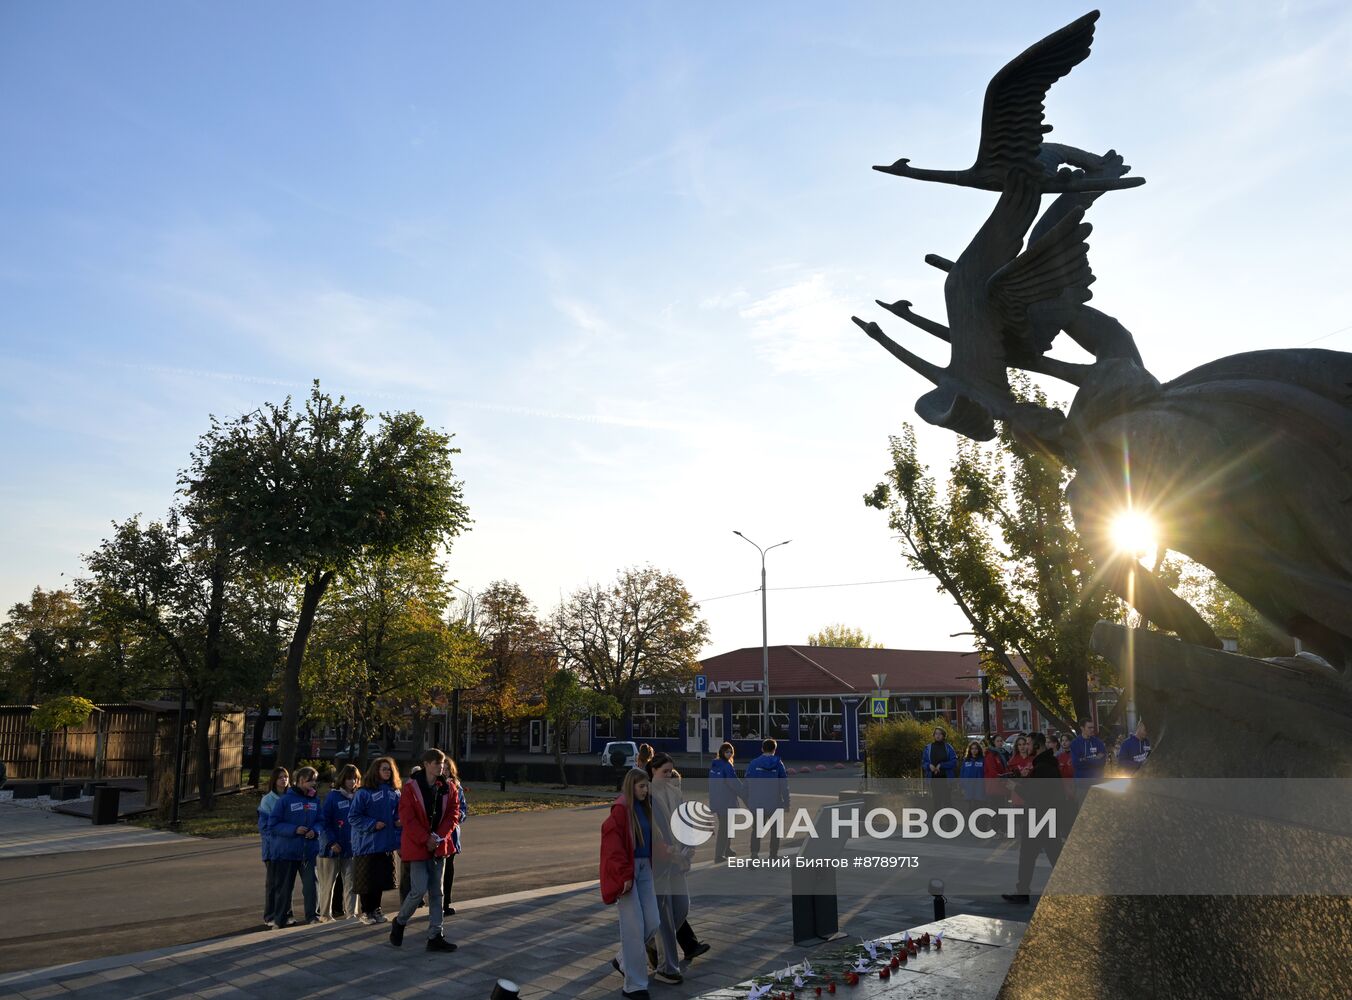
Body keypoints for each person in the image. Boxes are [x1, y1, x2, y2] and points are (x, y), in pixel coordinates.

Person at [388, 748, 460, 952]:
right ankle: (400, 921)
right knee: (418, 890)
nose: (441, 767)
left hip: (438, 845)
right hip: (418, 846)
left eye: (442, 763)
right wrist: (425, 838)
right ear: (427, 764)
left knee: (437, 892)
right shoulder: (410, 788)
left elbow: (453, 814)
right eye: (437, 763)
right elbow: (407, 819)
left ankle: (435, 935)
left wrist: (437, 837)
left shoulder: (448, 787)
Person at [602, 768, 662, 1000]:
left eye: (647, 786)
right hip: (628, 872)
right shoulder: (620, 809)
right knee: (633, 927)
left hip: (645, 868)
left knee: (652, 921)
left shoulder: (646, 807)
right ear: (631, 786)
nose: (646, 790)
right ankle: (634, 986)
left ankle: (622, 959)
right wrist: (624, 875)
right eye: (641, 786)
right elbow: (613, 847)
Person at [1001, 733, 1066, 904]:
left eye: (1029, 744)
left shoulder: (1043, 767)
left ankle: (1023, 892)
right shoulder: (1047, 764)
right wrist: (1023, 779)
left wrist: (1016, 787)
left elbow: (1035, 796)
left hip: (1039, 817)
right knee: (1046, 855)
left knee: (1032, 856)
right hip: (1046, 816)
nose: (1026, 747)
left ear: (1037, 746)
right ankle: (1023, 891)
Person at [268, 765, 322, 926]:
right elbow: (273, 824)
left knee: (311, 886)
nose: (314, 784)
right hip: (287, 851)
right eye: (311, 781)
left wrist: (315, 831)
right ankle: (280, 919)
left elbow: (321, 821)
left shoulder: (315, 800)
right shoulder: (285, 800)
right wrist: (294, 829)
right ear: (301, 781)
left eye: (315, 780)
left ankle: (312, 916)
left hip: (308, 851)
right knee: (285, 888)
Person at [350, 756, 401, 923]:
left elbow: (398, 813)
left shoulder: (395, 792)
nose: (388, 772)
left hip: (385, 843)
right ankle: (366, 911)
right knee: (366, 880)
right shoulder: (364, 792)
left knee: (380, 880)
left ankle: (376, 909)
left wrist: (398, 822)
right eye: (384, 769)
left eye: (390, 769)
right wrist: (372, 824)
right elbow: (354, 817)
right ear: (376, 771)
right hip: (367, 843)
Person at [317, 764, 359, 921]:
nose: (352, 782)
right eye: (349, 778)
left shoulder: (358, 796)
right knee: (329, 883)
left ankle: (351, 913)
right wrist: (331, 842)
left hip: (351, 848)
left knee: (351, 883)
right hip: (332, 849)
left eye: (355, 779)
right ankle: (325, 914)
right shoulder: (333, 797)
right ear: (342, 779)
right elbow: (324, 822)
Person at [744, 738, 790, 859]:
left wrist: (748, 801)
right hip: (774, 803)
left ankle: (754, 854)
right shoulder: (779, 764)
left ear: (762, 749)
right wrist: (787, 803)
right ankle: (773, 854)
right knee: (775, 830)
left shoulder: (754, 763)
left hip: (758, 802)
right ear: (774, 750)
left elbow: (747, 784)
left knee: (757, 830)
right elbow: (784, 786)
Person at [258, 767, 289, 928]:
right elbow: (264, 827)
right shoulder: (268, 800)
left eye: (286, 777)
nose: (284, 780)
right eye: (280, 777)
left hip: (289, 848)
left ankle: (286, 913)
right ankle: (270, 915)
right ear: (274, 780)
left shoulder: (291, 797)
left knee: (286, 884)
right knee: (273, 884)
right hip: (273, 849)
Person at [708, 742, 744, 864]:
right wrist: (745, 794)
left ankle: (727, 849)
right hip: (726, 801)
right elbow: (734, 783)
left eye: (730, 751)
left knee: (727, 826)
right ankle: (719, 855)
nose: (729, 754)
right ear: (722, 752)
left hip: (718, 801)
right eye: (726, 751)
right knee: (724, 828)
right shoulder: (727, 766)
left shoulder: (714, 766)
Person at [442, 758, 468, 916]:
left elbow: (463, 808)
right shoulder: (434, 786)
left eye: (447, 769)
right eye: (442, 768)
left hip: (451, 834)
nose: (444, 772)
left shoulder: (457, 787)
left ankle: (446, 902)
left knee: (449, 869)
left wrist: (459, 816)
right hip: (438, 834)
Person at [1069, 720, 1108, 795]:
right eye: (1089, 728)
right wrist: (1095, 758)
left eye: (1093, 727)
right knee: (1082, 802)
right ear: (1082, 728)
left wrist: (1084, 759)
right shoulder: (1075, 743)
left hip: (1097, 782)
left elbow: (1102, 762)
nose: (1092, 730)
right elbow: (1076, 763)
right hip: (1082, 783)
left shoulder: (1098, 742)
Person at [921, 727, 957, 809]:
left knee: (947, 802)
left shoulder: (948, 747)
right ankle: (937, 817)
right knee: (936, 802)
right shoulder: (928, 748)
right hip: (933, 779)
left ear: (943, 736)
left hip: (946, 779)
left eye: (940, 734)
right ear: (933, 735)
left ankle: (949, 817)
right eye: (936, 733)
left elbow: (954, 762)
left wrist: (941, 765)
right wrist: (929, 766)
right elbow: (923, 762)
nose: (938, 735)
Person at [958, 740, 985, 805]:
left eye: (976, 748)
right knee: (969, 807)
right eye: (972, 748)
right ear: (970, 750)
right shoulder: (966, 761)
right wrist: (962, 786)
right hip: (968, 787)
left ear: (979, 750)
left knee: (978, 806)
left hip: (979, 788)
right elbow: (962, 774)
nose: (974, 750)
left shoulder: (982, 760)